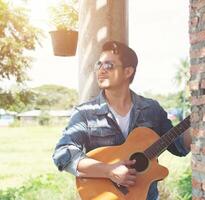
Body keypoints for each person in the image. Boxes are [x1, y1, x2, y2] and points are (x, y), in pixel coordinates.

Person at [52, 41, 192, 200]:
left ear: (128, 71)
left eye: (109, 65)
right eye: (99, 65)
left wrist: (200, 120)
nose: (101, 70)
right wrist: (109, 170)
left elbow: (178, 146)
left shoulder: (151, 109)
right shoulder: (85, 113)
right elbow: (63, 154)